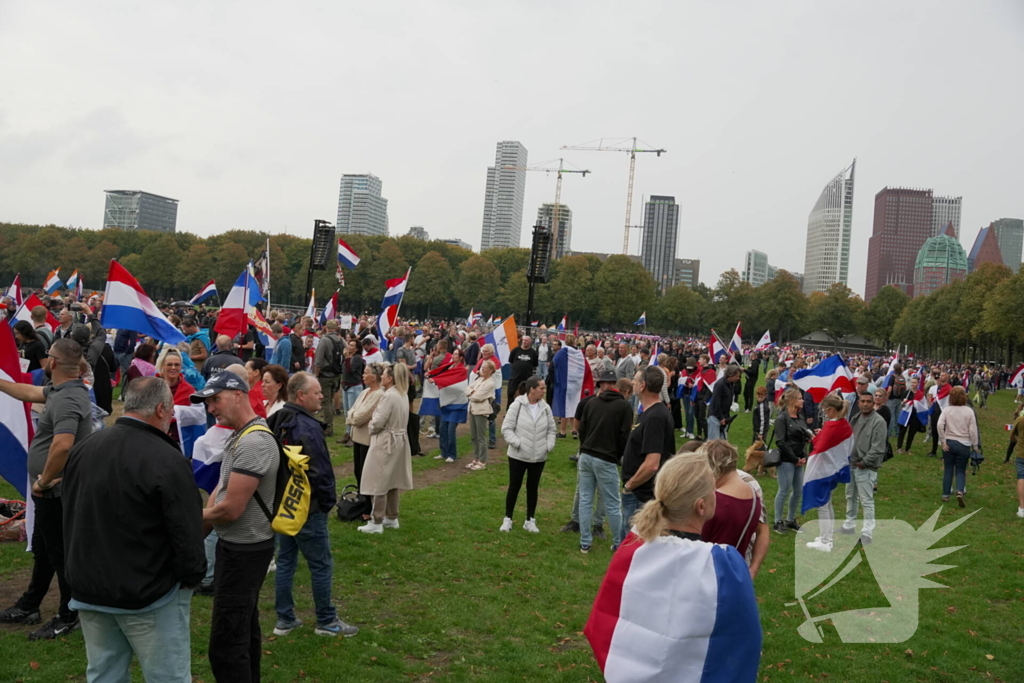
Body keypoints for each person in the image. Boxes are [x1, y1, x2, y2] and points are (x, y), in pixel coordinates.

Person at [63, 377, 206, 681]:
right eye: (169, 412)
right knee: (166, 676)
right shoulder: (167, 458)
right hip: (147, 591)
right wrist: (191, 576)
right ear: (159, 410)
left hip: (90, 585)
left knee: (104, 674)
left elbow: (70, 511)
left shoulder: (85, 447)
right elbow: (186, 531)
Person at [584, 453, 761, 682]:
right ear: (701, 506)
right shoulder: (723, 568)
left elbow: (605, 619)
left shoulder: (634, 549)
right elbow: (741, 639)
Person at [0, 338, 93, 640]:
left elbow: (63, 445)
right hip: (49, 492)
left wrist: (42, 481)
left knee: (61, 553)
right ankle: (30, 605)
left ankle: (69, 614)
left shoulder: (67, 399)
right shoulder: (61, 390)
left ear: (52, 363)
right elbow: (27, 391)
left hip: (55, 492)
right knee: (45, 550)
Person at [194, 372, 281, 683]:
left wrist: (186, 521)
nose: (211, 408)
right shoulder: (241, 434)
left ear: (238, 395)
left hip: (245, 550)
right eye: (208, 403)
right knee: (242, 629)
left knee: (227, 644)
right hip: (238, 547)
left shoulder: (255, 441)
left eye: (215, 399)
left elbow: (230, 510)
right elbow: (221, 489)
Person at [267, 372, 358, 637]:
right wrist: (327, 502)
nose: (322, 396)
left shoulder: (278, 418)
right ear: (300, 395)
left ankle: (284, 619)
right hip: (307, 506)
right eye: (316, 392)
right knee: (320, 564)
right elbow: (321, 471)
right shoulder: (306, 427)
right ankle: (326, 621)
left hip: (284, 505)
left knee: (285, 561)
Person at [577, 369, 633, 552]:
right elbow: (625, 437)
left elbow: (581, 429)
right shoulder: (624, 407)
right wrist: (616, 455)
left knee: (586, 499)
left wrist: (585, 446)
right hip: (606, 457)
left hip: (586, 455)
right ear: (615, 384)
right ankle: (618, 543)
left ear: (601, 384)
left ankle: (585, 541)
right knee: (612, 503)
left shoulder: (591, 402)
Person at [358, 363, 414, 534]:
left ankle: (377, 520)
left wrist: (372, 425)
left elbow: (378, 421)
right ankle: (392, 517)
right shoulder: (401, 393)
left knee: (379, 480)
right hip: (398, 440)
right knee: (391, 479)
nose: (381, 377)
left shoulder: (389, 396)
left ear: (390, 378)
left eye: (384, 375)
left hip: (386, 441)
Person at [620, 367, 676, 530]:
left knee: (633, 544)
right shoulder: (650, 412)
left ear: (643, 385)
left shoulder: (655, 417)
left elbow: (652, 463)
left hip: (641, 494)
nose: (632, 382)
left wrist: (630, 485)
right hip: (640, 492)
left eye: (635, 380)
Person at [500, 376, 556, 533]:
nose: (544, 391)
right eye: (541, 388)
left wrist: (548, 446)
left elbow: (551, 429)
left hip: (539, 456)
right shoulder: (516, 405)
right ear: (532, 389)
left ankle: (530, 520)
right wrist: (517, 443)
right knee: (514, 486)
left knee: (533, 488)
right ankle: (508, 519)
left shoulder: (545, 408)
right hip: (518, 455)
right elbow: (507, 428)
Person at [803, 393, 851, 553]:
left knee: (822, 504)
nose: (824, 413)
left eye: (825, 410)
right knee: (827, 502)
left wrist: (817, 436)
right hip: (835, 469)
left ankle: (825, 540)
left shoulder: (832, 426)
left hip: (824, 471)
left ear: (830, 409)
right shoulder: (843, 424)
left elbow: (820, 447)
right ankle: (827, 536)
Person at [700, 439, 762, 560]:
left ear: (711, 466)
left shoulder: (715, 500)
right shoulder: (754, 496)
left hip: (710, 568)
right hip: (735, 565)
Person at [838, 392, 887, 544]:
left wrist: (864, 462)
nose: (865, 404)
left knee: (866, 500)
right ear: (858, 403)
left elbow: (878, 447)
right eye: (863, 401)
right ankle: (849, 524)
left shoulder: (878, 421)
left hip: (866, 466)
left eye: (868, 401)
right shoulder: (855, 418)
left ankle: (867, 532)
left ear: (873, 403)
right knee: (850, 495)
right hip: (851, 463)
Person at [773, 388, 812, 535]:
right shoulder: (782, 419)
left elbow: (803, 436)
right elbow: (781, 441)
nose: (803, 400)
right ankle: (777, 520)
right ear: (791, 401)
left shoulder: (800, 416)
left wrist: (803, 456)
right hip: (786, 459)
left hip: (799, 458)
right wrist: (794, 458)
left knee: (798, 491)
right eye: (800, 398)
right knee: (784, 489)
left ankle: (790, 519)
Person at [937, 386, 978, 508]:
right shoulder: (969, 411)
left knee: (948, 469)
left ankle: (945, 494)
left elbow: (940, 424)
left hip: (949, 442)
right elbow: (973, 431)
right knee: (960, 470)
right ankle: (960, 490)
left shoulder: (947, 410)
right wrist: (975, 445)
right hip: (964, 443)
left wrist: (943, 440)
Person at [348, 362, 386, 489]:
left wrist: (353, 416)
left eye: (366, 373)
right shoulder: (364, 392)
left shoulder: (379, 394)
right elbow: (351, 410)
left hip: (367, 440)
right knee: (357, 471)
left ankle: (367, 502)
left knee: (365, 473)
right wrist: (353, 415)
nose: (363, 375)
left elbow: (361, 417)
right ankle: (361, 499)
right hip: (357, 438)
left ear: (374, 377)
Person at [465, 359, 497, 470]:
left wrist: (472, 393)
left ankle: (482, 460)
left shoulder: (491, 383)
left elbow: (477, 397)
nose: (482, 369)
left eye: (484, 368)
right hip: (472, 409)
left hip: (481, 411)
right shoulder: (479, 380)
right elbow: (467, 389)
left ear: (491, 370)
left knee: (481, 437)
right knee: (474, 436)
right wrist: (471, 392)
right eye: (481, 367)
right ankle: (475, 458)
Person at [315, 320, 345, 436]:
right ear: (336, 328)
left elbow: (318, 360)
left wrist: (316, 375)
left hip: (325, 375)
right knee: (330, 400)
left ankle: (328, 427)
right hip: (336, 374)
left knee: (326, 402)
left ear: (326, 328)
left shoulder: (324, 340)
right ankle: (329, 422)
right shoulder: (341, 340)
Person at [339, 339, 366, 444]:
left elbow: (350, 370)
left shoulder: (357, 358)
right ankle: (348, 432)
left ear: (357, 348)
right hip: (346, 386)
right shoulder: (349, 358)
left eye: (352, 345)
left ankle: (354, 436)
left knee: (353, 412)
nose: (349, 347)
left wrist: (346, 358)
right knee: (347, 412)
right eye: (349, 345)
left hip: (354, 387)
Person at [708, 365, 740, 441]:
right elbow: (716, 403)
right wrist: (720, 418)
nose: (738, 378)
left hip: (724, 416)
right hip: (715, 417)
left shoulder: (731, 384)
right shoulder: (719, 385)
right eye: (736, 376)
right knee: (714, 444)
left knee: (723, 444)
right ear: (730, 374)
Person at [506, 336, 538, 408]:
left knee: (526, 396)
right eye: (523, 340)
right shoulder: (515, 350)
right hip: (515, 377)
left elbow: (535, 365)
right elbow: (511, 362)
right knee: (511, 394)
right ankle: (509, 412)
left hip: (526, 379)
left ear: (530, 342)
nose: (525, 342)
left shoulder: (533, 352)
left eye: (526, 341)